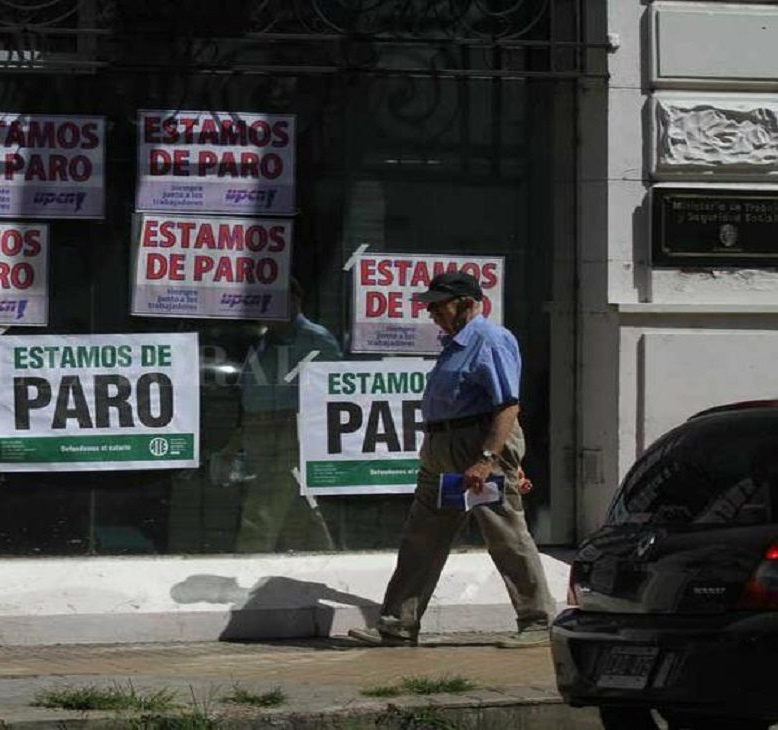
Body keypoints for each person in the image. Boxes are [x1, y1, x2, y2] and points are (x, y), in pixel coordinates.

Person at [347, 270, 553, 649]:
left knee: (505, 535)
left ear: (468, 304)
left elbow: (507, 406)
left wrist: (488, 459)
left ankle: (538, 621)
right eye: (432, 307)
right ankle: (397, 624)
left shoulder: (489, 340)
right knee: (421, 539)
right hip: (442, 452)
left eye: (440, 306)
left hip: (476, 449)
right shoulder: (455, 344)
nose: (433, 314)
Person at [222, 278, 343, 553]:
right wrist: (237, 441)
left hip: (291, 429)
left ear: (294, 301)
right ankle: (323, 554)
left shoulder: (316, 339)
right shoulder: (263, 340)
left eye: (274, 301)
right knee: (292, 503)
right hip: (258, 430)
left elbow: (331, 391)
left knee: (263, 504)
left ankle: (246, 565)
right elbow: (252, 391)